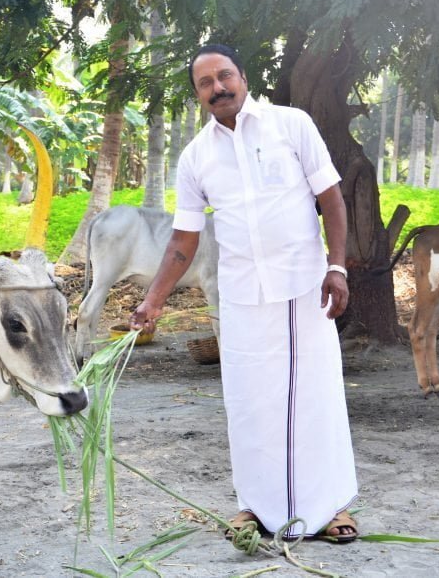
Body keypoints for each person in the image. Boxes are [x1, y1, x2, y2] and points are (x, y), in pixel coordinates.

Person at [130, 43, 359, 542]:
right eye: (205, 83)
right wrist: (153, 300)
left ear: (243, 77)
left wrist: (336, 267)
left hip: (304, 288)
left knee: (313, 397)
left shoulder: (292, 125)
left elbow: (331, 199)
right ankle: (254, 506)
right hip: (240, 298)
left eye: (224, 76)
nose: (218, 88)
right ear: (198, 95)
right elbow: (182, 241)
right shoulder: (196, 158)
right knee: (251, 403)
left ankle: (331, 507)